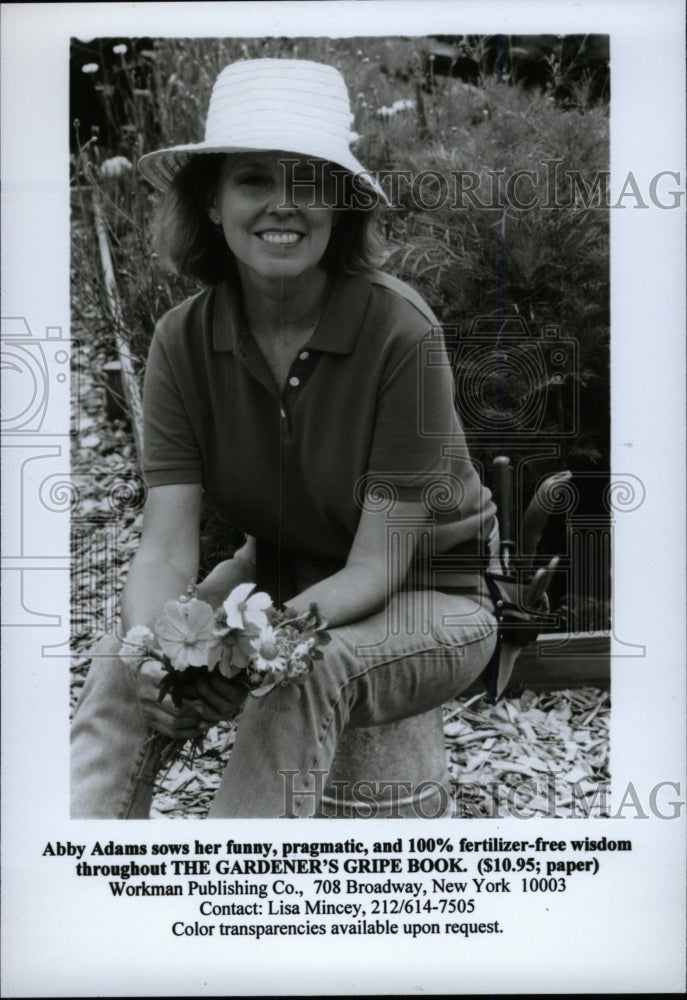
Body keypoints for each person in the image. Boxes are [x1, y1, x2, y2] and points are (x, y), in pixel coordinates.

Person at [71, 58, 498, 819]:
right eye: (254, 180)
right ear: (210, 203)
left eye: (308, 181)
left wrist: (245, 650)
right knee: (117, 665)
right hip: (279, 567)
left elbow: (373, 567)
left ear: (341, 207)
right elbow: (166, 550)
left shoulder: (401, 334)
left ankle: (245, 904)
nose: (283, 205)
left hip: (428, 594)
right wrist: (154, 654)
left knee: (299, 674)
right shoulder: (181, 339)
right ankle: (91, 885)